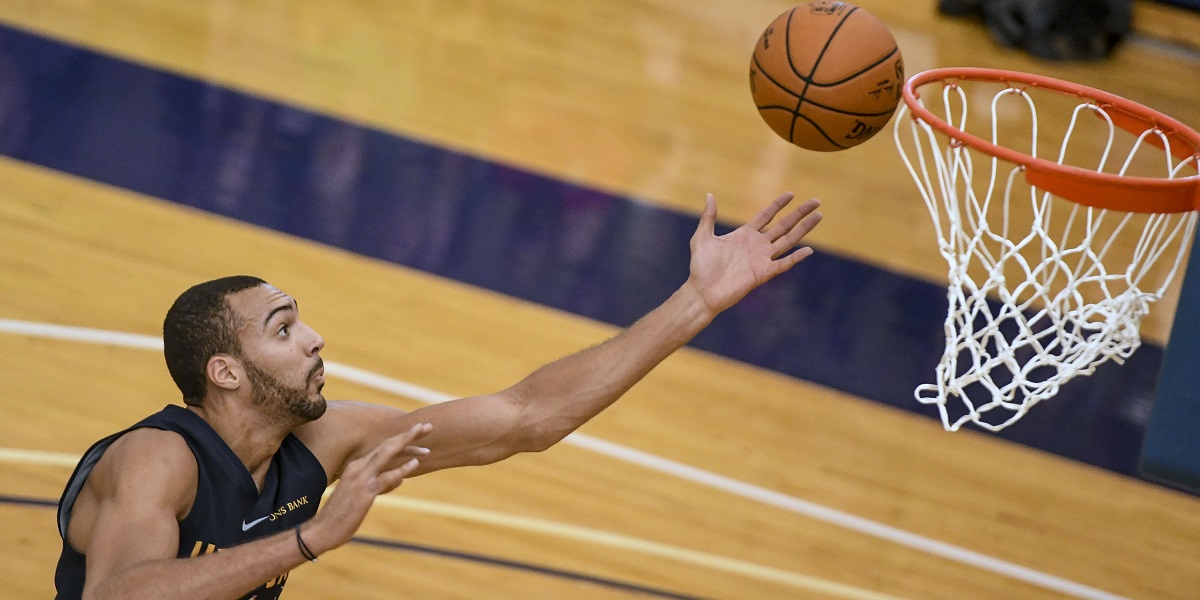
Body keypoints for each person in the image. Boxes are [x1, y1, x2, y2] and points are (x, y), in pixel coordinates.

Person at [53, 192, 823, 600]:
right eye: (283, 329)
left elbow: (524, 417)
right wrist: (311, 540)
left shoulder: (326, 441)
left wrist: (696, 302)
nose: (315, 338)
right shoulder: (157, 460)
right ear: (225, 372)